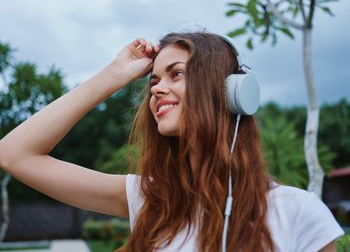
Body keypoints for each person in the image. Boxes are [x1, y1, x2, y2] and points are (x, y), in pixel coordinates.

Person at [0, 31, 344, 252]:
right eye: (153, 81)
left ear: (231, 92)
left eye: (176, 74)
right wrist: (113, 75)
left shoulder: (297, 211)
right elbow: (14, 154)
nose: (156, 89)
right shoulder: (149, 198)